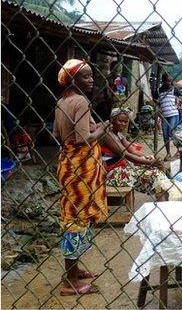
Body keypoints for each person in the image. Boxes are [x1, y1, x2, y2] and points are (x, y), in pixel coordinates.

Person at [53, 59, 109, 296]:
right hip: (81, 169)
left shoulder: (61, 102)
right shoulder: (81, 102)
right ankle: (70, 281)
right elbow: (83, 139)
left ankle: (73, 271)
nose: (92, 80)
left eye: (92, 75)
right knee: (76, 222)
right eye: (86, 76)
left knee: (74, 216)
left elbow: (55, 134)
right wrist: (102, 129)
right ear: (73, 80)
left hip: (67, 164)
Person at [101, 108, 166, 194]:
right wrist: (150, 162)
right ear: (112, 120)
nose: (123, 124)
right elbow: (127, 155)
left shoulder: (119, 135)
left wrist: (150, 158)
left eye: (125, 122)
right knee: (155, 175)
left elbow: (133, 152)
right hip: (111, 173)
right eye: (120, 121)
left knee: (155, 169)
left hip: (121, 168)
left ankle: (160, 191)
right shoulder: (108, 134)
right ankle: (161, 193)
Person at [157, 74, 182, 160]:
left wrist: (179, 105)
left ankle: (179, 150)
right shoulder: (159, 90)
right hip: (164, 115)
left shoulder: (173, 89)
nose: (168, 81)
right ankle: (168, 153)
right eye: (167, 80)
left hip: (173, 114)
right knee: (165, 135)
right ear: (163, 80)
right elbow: (156, 100)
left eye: (169, 80)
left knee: (171, 133)